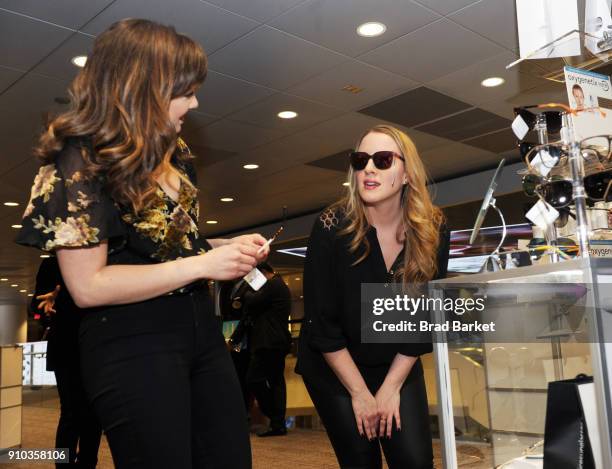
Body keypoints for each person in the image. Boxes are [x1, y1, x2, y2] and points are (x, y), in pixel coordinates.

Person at [16, 18, 269, 469]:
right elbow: (88, 285)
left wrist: (225, 248)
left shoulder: (175, 152)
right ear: (145, 85)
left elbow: (172, 248)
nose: (195, 101)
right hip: (131, 340)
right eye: (185, 89)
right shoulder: (79, 161)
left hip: (200, 332)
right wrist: (202, 265)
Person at [295, 124, 450, 469]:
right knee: (362, 459)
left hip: (395, 360)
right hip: (335, 366)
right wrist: (361, 394)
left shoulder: (433, 228)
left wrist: (391, 386)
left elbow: (420, 320)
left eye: (382, 160)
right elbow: (324, 325)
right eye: (361, 159)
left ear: (407, 173)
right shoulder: (332, 226)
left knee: (414, 460)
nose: (368, 168)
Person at [33, 257, 102, 469]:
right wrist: (43, 308)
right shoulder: (52, 264)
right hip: (65, 348)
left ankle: (88, 463)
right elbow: (36, 303)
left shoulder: (103, 260)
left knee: (94, 413)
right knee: (71, 413)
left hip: (97, 348)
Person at [228, 263, 292, 437]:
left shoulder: (274, 284)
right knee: (275, 381)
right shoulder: (272, 288)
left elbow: (250, 300)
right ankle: (277, 423)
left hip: (269, 342)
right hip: (271, 341)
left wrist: (248, 289)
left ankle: (275, 417)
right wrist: (234, 340)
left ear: (262, 273)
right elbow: (247, 313)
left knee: (253, 379)